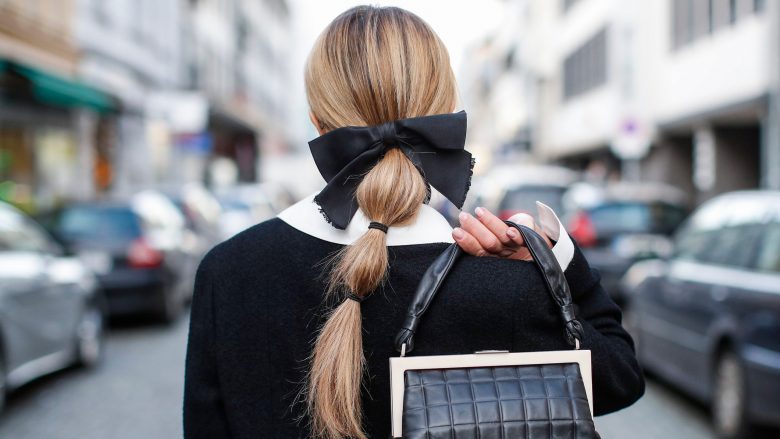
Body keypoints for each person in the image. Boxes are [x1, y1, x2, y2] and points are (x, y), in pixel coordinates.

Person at [183, 5, 644, 439]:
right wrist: (553, 260)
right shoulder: (503, 284)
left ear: (318, 124)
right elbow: (620, 376)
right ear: (444, 116)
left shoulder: (227, 273)